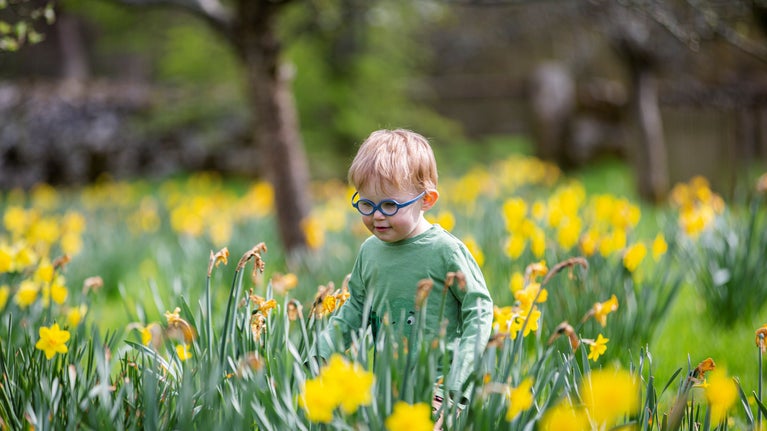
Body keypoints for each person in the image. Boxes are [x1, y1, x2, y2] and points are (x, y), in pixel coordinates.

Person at [314, 128, 494, 426]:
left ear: (427, 200)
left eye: (389, 205)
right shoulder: (370, 252)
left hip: (441, 388)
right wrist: (322, 352)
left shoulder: (445, 251)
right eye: (366, 204)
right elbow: (355, 309)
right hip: (389, 386)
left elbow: (480, 310)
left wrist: (455, 382)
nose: (376, 216)